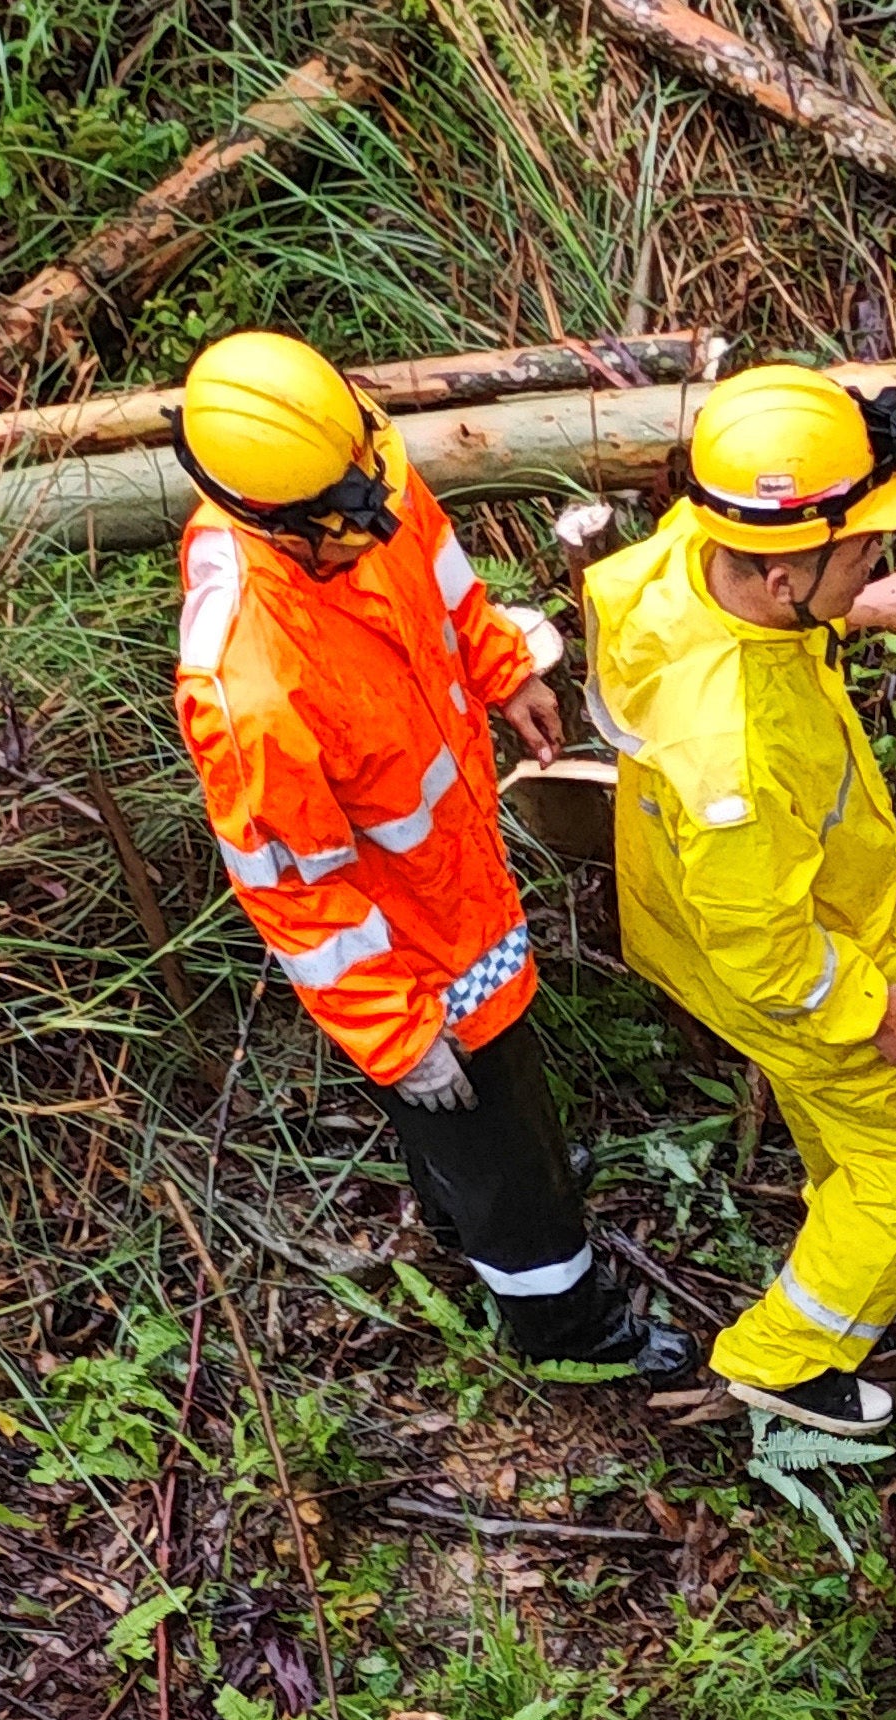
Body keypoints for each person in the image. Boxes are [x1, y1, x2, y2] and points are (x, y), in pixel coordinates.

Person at [168, 330, 693, 1384]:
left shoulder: (361, 487)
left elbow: (447, 588)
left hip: (461, 884)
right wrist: (397, 1035)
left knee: (483, 1120)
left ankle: (472, 1206)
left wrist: (505, 673)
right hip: (406, 953)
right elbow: (299, 898)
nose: (380, 525)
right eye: (351, 526)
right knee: (490, 1134)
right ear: (275, 521)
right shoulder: (251, 686)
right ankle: (565, 1319)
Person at [583, 364, 896, 1435]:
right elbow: (770, 954)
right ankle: (790, 1355)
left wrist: (855, 606)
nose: (878, 564)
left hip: (695, 918)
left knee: (848, 1103)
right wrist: (873, 1006)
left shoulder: (685, 553)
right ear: (780, 583)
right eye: (863, 556)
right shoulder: (735, 753)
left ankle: (850, 1178)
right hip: (780, 958)